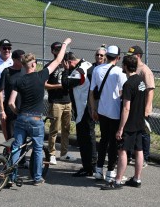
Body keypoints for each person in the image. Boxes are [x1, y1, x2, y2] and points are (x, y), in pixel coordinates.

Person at [8, 38, 72, 185]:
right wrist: (65, 44)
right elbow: (58, 60)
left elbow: (11, 102)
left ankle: (11, 176)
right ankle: (37, 177)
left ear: (24, 66)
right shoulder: (41, 76)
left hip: (22, 117)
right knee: (37, 149)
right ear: (34, 64)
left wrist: (18, 112)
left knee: (17, 146)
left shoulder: (18, 80)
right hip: (36, 120)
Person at [101, 54, 146, 190]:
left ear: (126, 66)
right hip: (139, 122)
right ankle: (137, 179)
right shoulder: (141, 81)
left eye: (123, 65)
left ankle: (118, 181)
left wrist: (121, 128)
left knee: (122, 151)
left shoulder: (128, 84)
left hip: (129, 124)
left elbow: (126, 108)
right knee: (139, 150)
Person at [89, 45, 127, 183]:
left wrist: (93, 109)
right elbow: (123, 93)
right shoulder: (119, 72)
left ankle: (99, 170)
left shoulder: (97, 69)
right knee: (113, 142)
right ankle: (111, 171)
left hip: (102, 111)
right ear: (118, 57)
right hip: (115, 112)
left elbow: (92, 92)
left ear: (106, 56)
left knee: (103, 140)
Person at [61, 52, 96, 177]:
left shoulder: (78, 71)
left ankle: (89, 167)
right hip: (89, 107)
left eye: (65, 64)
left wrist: (65, 71)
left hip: (83, 110)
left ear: (69, 62)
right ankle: (92, 165)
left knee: (85, 139)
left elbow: (65, 83)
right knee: (89, 137)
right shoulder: (87, 64)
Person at [45, 42, 74, 165]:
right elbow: (45, 84)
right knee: (54, 129)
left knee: (66, 129)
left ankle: (64, 153)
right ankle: (51, 153)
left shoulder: (68, 64)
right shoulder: (50, 66)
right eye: (57, 50)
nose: (59, 52)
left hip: (68, 101)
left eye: (60, 49)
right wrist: (59, 85)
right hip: (56, 102)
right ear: (52, 51)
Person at [126, 45, 155, 168]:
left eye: (131, 55)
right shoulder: (132, 68)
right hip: (133, 108)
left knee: (143, 134)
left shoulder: (145, 70)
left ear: (138, 56)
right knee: (133, 132)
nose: (129, 57)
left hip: (142, 109)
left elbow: (150, 90)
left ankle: (145, 158)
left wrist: (147, 109)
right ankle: (131, 155)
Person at [0, 49, 25, 140]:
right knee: (11, 136)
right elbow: (0, 92)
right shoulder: (6, 72)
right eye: (21, 59)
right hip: (11, 109)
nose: (24, 60)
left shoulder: (25, 71)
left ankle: (21, 154)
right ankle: (10, 152)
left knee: (23, 135)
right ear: (14, 59)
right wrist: (2, 111)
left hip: (24, 109)